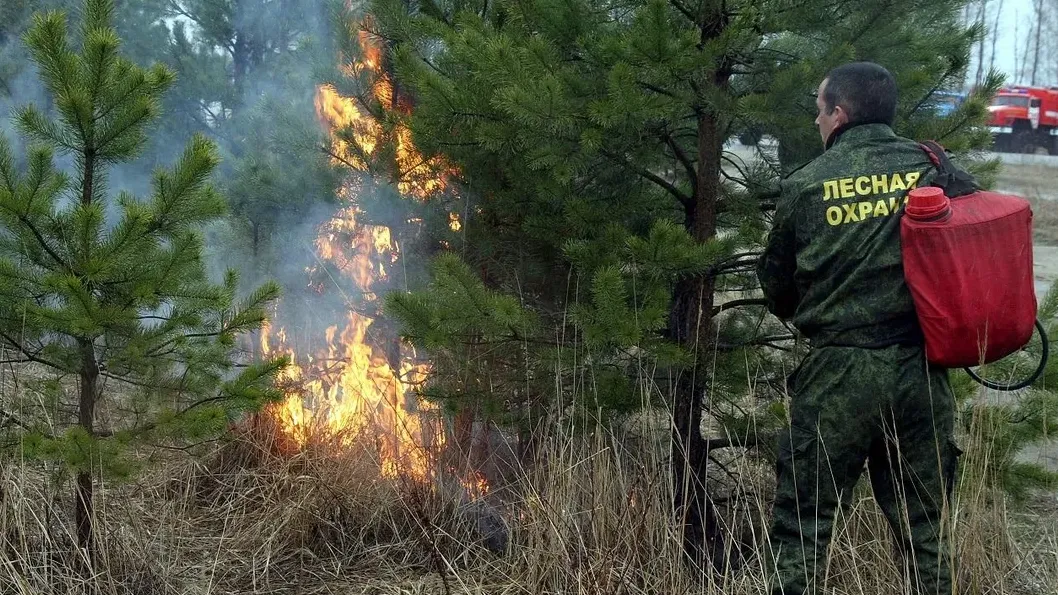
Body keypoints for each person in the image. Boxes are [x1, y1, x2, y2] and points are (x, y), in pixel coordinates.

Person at [756, 62, 964, 595]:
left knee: (804, 526)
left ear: (840, 114)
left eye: (819, 111)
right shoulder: (932, 169)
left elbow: (777, 289)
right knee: (926, 530)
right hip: (921, 371)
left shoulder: (806, 185)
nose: (816, 122)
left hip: (840, 373)